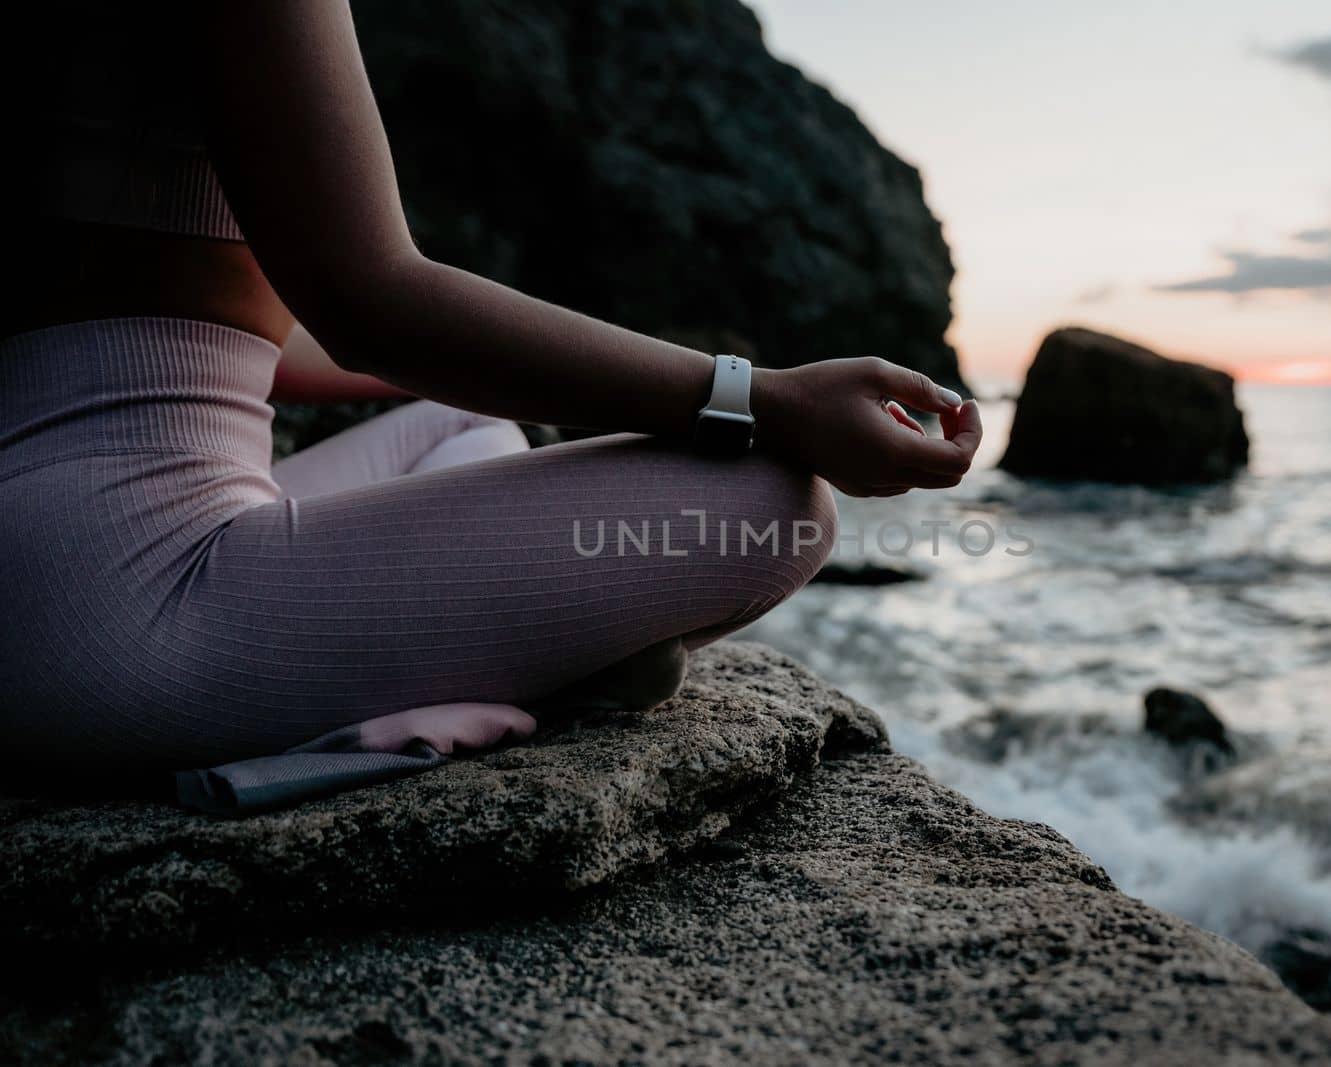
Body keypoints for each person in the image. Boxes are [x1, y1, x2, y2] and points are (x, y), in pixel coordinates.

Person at [0, 2, 980, 807]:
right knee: (772, 501)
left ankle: (480, 655)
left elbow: (231, 327)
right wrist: (762, 398)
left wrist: (555, 360)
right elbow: (370, 302)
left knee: (462, 424)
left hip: (43, 537)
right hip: (106, 608)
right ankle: (476, 676)